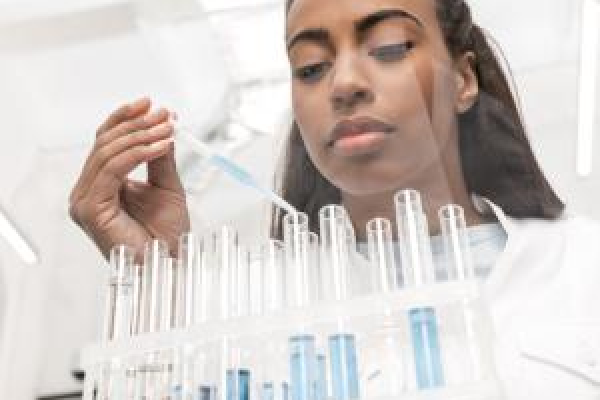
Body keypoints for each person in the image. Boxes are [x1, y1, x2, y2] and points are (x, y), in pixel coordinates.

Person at [69, 0, 600, 398]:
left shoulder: (582, 266)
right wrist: (160, 284)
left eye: (389, 48)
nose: (343, 83)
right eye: (311, 67)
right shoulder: (249, 304)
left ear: (463, 79)